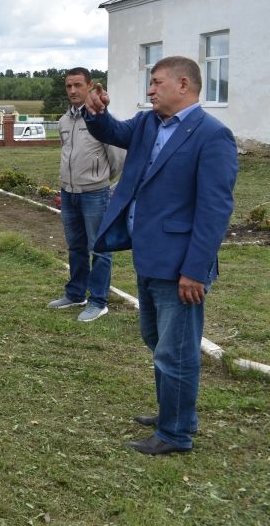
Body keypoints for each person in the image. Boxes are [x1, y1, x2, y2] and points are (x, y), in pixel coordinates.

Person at [82, 56, 237, 455]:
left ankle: (175, 434)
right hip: (148, 255)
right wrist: (96, 113)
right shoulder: (148, 123)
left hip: (180, 265)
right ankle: (176, 411)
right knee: (156, 339)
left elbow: (214, 210)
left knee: (176, 350)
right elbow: (114, 130)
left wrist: (195, 271)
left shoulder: (212, 136)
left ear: (183, 85)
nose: (150, 90)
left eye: (156, 83)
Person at [48, 67, 126, 323]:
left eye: (78, 85)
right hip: (69, 193)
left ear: (90, 86)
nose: (72, 91)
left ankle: (98, 301)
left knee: (100, 248)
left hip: (95, 194)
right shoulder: (63, 121)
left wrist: (99, 179)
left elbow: (116, 158)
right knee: (76, 247)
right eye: (69, 86)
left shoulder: (100, 119)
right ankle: (75, 294)